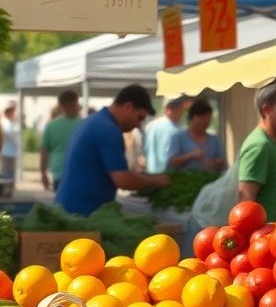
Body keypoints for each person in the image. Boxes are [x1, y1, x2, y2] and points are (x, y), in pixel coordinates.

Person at [56, 84, 169, 217]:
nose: (138, 125)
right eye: (140, 118)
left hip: (71, 208)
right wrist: (157, 181)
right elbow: (123, 180)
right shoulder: (108, 129)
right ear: (128, 107)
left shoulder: (95, 121)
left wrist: (149, 177)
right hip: (83, 213)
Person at [237, 79, 276, 221]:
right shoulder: (260, 146)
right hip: (268, 240)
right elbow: (245, 204)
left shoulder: (274, 143)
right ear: (267, 110)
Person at [167, 98, 226, 172]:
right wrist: (190, 155)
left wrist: (215, 163)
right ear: (192, 118)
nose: (206, 120)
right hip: (185, 180)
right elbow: (171, 162)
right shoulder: (178, 137)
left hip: (211, 180)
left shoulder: (215, 140)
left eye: (208, 117)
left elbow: (222, 163)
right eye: (202, 117)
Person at [40, 89, 82, 192]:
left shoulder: (51, 126)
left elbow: (44, 152)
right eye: (76, 103)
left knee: (60, 207)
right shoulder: (85, 125)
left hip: (59, 174)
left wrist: (43, 174)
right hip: (80, 173)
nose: (78, 107)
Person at [144, 97, 186, 174]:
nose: (182, 111)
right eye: (179, 107)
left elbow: (145, 150)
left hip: (151, 173)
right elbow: (169, 158)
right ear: (167, 109)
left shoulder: (151, 125)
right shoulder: (174, 129)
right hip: (167, 176)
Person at [0, 103, 20, 182]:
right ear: (7, 112)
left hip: (10, 151)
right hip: (7, 152)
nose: (14, 113)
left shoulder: (9, 122)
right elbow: (12, 134)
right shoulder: (5, 123)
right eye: (12, 111)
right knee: (7, 173)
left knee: (9, 173)